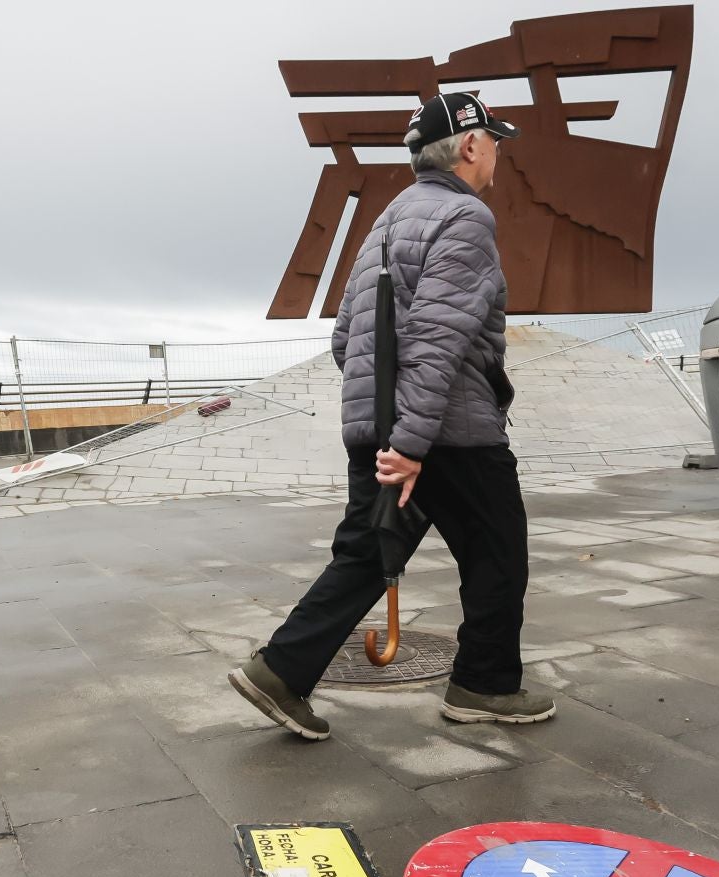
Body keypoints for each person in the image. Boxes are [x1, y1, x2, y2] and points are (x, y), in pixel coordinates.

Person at [229, 90, 555, 742]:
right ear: (469, 146)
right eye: (493, 139)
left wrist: (383, 422)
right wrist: (410, 441)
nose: (497, 151)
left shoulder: (388, 220)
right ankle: (485, 687)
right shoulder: (464, 219)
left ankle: (281, 672)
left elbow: (345, 340)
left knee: (365, 555)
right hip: (448, 434)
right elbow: (438, 337)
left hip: (383, 427)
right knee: (498, 553)